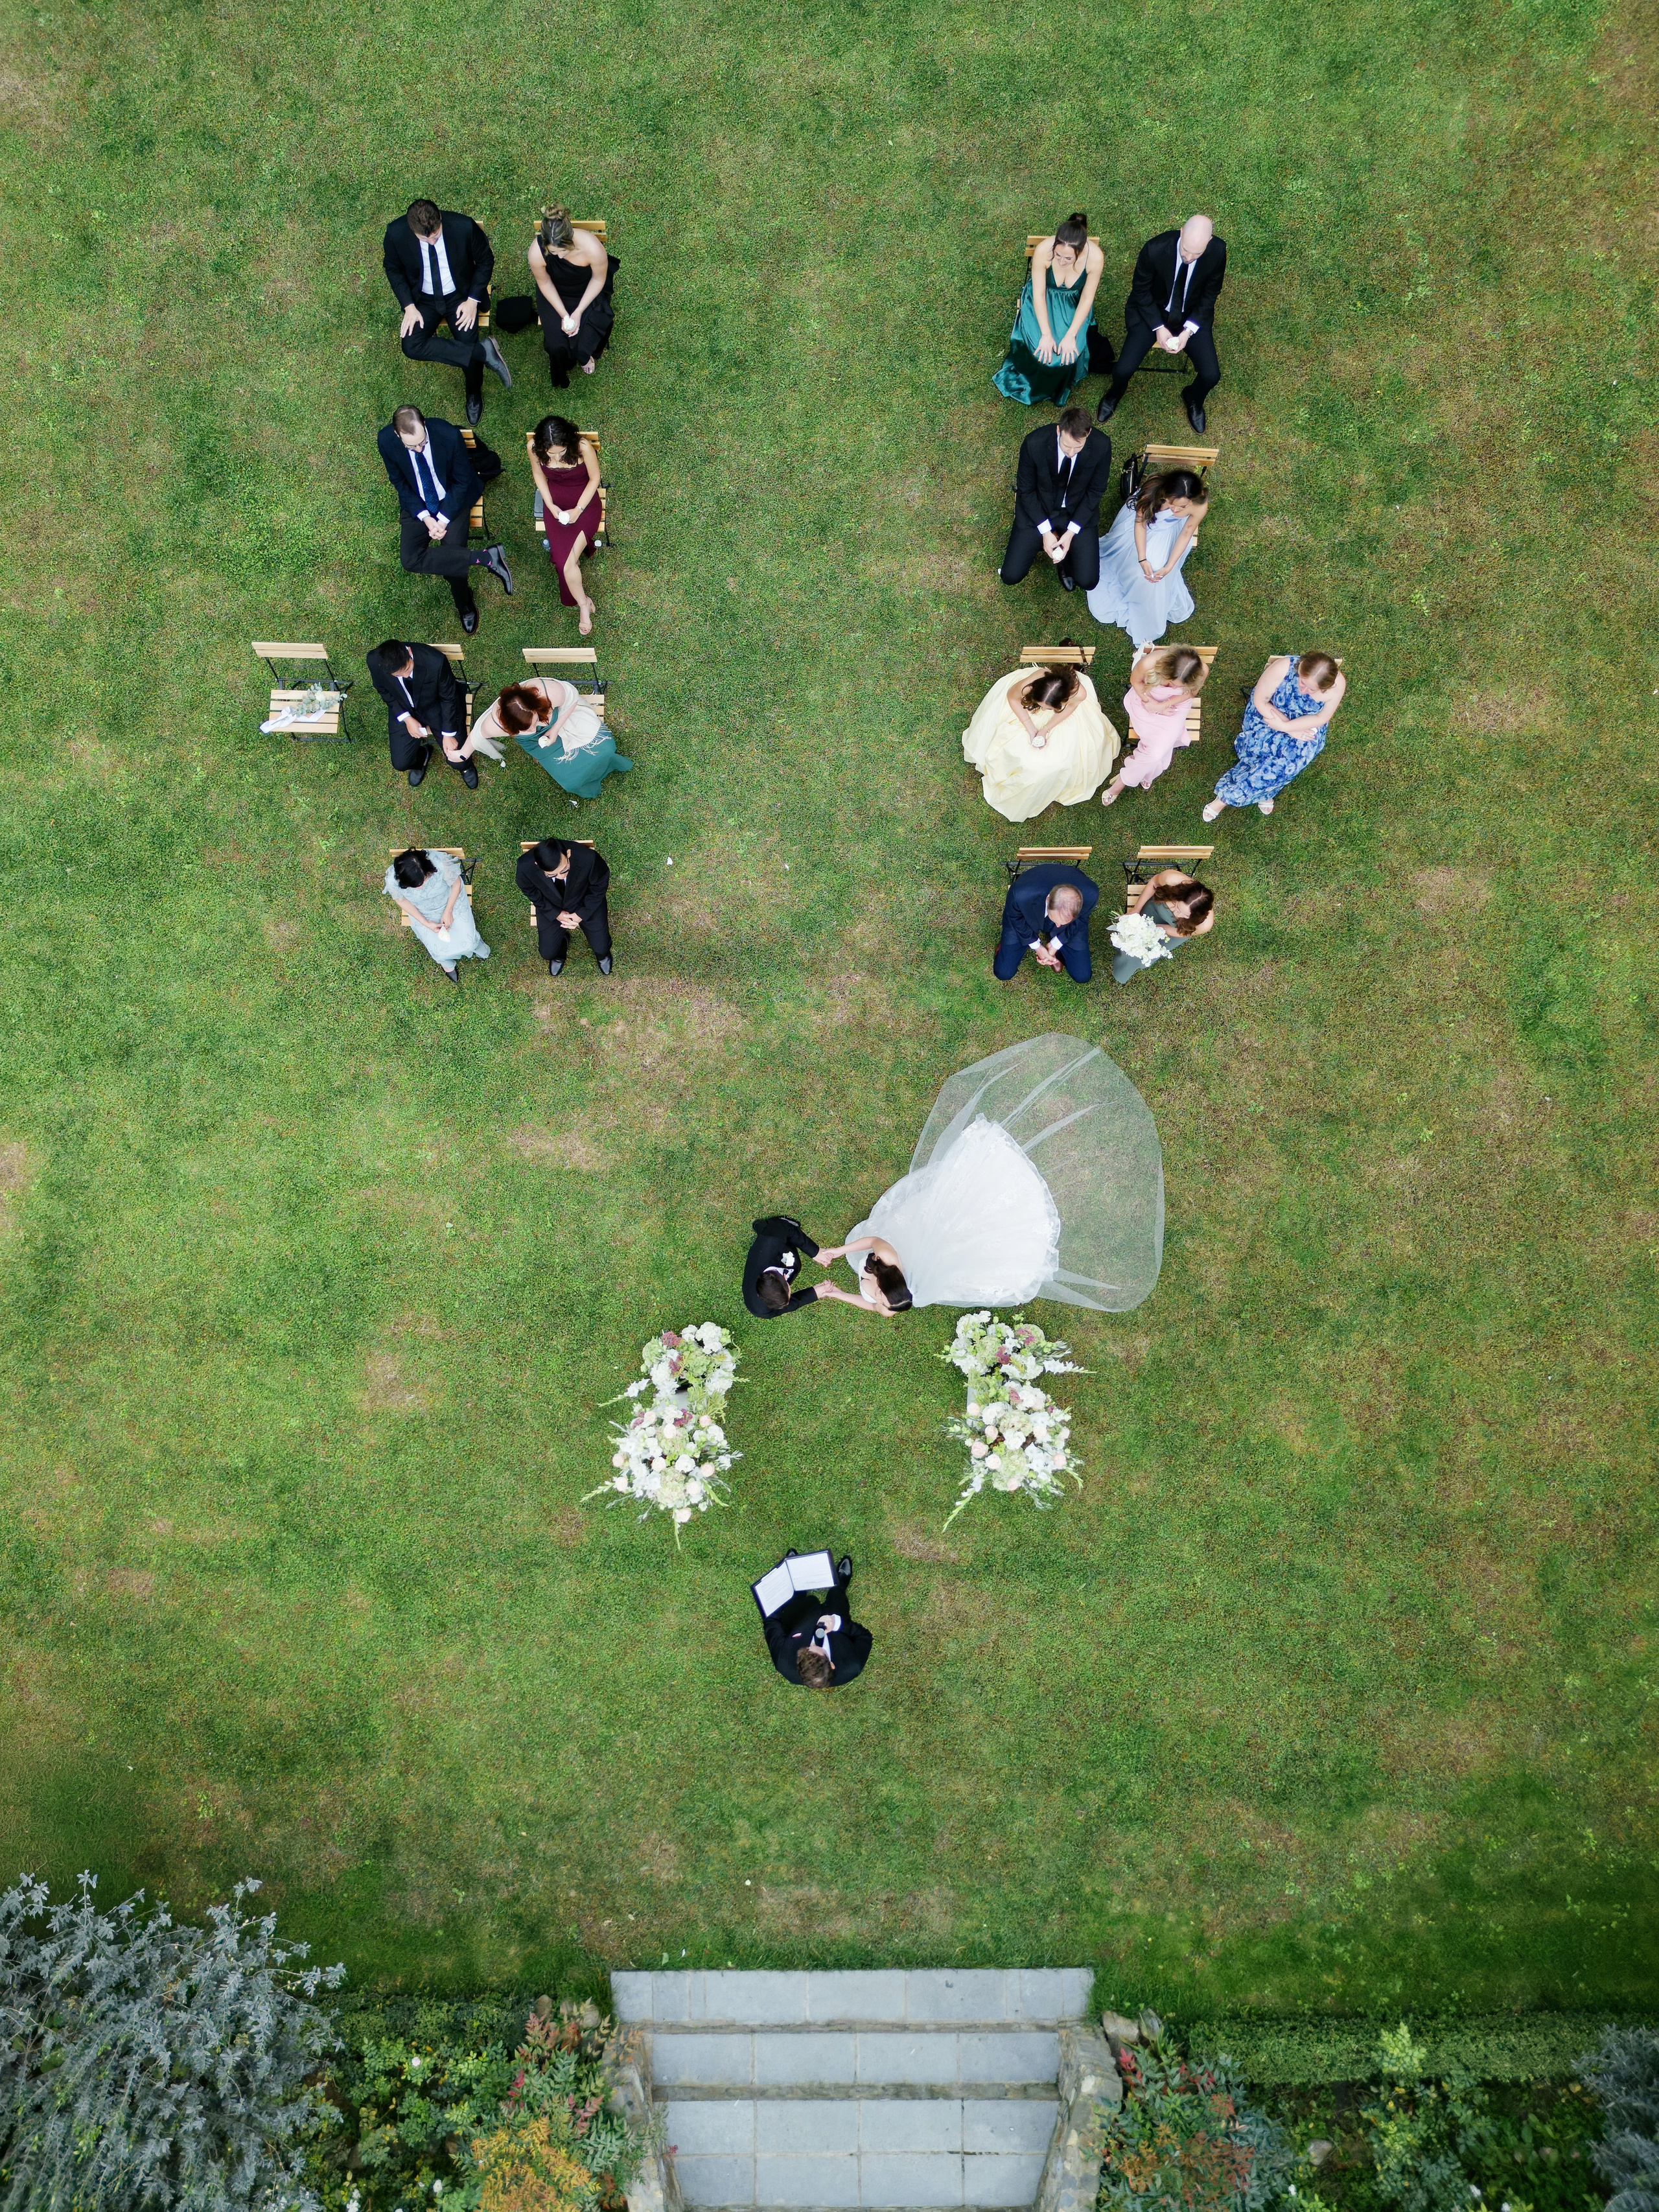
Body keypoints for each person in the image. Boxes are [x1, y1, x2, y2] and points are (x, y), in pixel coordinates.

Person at [834, 1036, 1163, 1312]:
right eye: (881, 1299)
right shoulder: (895, 1283)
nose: (879, 1302)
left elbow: (873, 1275)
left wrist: (834, 1291)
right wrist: (836, 1270)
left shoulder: (892, 1283)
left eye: (880, 1299)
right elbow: (876, 1283)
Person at [377, 405, 513, 635]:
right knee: (410, 560)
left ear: (424, 425)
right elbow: (399, 482)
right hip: (417, 504)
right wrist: (425, 517)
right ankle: (486, 558)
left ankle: (464, 604)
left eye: (422, 442)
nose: (419, 449)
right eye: (412, 446)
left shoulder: (448, 434)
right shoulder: (386, 440)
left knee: (452, 561)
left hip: (452, 501)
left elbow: (462, 481)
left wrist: (442, 520)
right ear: (398, 435)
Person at [381, 199, 513, 426]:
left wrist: (472, 300)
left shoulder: (464, 226)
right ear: (412, 230)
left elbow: (485, 261)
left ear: (440, 219)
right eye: (425, 239)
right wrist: (409, 306)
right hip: (423, 301)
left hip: (461, 296)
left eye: (436, 235)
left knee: (466, 340)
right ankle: (483, 351)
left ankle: (473, 393)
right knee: (411, 345)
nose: (432, 241)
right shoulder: (396, 233)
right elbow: (392, 268)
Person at [1095, 215, 1226, 434]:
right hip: (1152, 313)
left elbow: (1211, 294)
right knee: (1123, 370)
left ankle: (1193, 397)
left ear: (1209, 241)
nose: (1189, 258)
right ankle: (1115, 393)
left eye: (1197, 253)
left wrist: (1188, 331)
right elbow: (1141, 291)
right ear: (1181, 232)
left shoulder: (1218, 251)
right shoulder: (1155, 249)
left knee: (1212, 375)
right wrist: (1158, 327)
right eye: (1186, 250)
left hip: (1190, 315)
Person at [961, 657, 1119, 821]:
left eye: (1048, 708)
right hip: (1024, 711)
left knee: (1062, 759)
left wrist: (1046, 729)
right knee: (1013, 745)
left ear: (1063, 701)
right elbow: (1012, 698)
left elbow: (1070, 708)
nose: (1043, 710)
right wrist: (1030, 727)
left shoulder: (1079, 694)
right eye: (1041, 705)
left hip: (1060, 718)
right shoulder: (1029, 685)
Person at [1204, 652, 1346, 819]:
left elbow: (1321, 718)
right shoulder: (1282, 668)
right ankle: (1255, 794)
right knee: (1266, 756)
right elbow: (1260, 701)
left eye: (1312, 690)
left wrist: (1287, 727)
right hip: (1268, 716)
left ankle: (1230, 797)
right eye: (1302, 682)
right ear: (1301, 668)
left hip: (1305, 726)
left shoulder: (1337, 685)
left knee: (1292, 763)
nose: (1304, 691)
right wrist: (1287, 728)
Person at [992, 213, 1109, 408]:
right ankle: (1031, 379)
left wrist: (1071, 335)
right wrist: (1046, 334)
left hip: (1073, 304)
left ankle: (1058, 386)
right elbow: (1038, 294)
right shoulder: (1043, 251)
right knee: (1042, 351)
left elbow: (1087, 299)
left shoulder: (1095, 258)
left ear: (1081, 251)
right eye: (1058, 255)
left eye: (1068, 258)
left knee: (1066, 355)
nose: (1062, 262)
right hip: (1042, 300)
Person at [1085, 469, 1209, 646]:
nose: (1175, 510)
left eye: (1182, 507)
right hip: (1142, 527)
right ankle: (1129, 580)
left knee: (1158, 567)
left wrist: (1170, 566)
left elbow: (1186, 533)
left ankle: (1146, 602)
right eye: (1171, 503)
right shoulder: (1152, 490)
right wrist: (1142, 559)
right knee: (1142, 565)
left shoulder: (1199, 504)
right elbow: (1140, 524)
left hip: (1169, 532)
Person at [1000, 406, 1113, 595]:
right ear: (1059, 430)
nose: (1071, 453)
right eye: (1067, 446)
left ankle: (1065, 558)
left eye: (1078, 447)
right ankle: (1045, 541)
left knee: (1089, 581)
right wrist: (1046, 532)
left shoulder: (1102, 446)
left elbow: (1096, 491)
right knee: (1010, 576)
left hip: (1076, 513)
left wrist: (1071, 533)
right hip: (1039, 510)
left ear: (1088, 434)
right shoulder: (1034, 443)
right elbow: (1026, 491)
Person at [470, 679, 632, 800]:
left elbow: (573, 699)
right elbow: (476, 738)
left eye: (534, 723)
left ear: (535, 708)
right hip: (535, 744)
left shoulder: (550, 693)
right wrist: (460, 756)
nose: (533, 730)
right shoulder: (494, 725)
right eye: (525, 729)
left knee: (606, 749)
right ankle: (588, 789)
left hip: (563, 720)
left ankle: (611, 764)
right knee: (571, 781)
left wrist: (554, 730)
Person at [1099, 644, 1208, 805]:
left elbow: (1191, 694)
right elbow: (1135, 682)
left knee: (1156, 754)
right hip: (1145, 700)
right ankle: (1147, 774)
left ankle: (1123, 780)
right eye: (1171, 681)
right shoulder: (1150, 663)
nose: (1173, 687)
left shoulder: (1202, 670)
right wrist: (1151, 704)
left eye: (1179, 686)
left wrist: (1163, 706)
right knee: (1157, 755)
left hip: (1175, 706)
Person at [366, 639, 476, 789]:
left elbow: (449, 698)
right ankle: (423, 756)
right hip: (404, 708)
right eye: (398, 675)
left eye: (407, 669)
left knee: (458, 759)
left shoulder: (436, 661)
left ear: (409, 652)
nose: (406, 676)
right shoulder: (374, 660)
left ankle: (466, 767)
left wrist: (448, 734)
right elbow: (383, 691)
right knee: (401, 763)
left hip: (436, 706)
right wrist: (406, 718)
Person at [528, 415, 601, 634]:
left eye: (561, 452)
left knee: (567, 565)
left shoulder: (583, 447)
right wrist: (550, 505)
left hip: (585, 504)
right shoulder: (533, 447)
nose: (556, 458)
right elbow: (538, 475)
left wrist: (578, 510)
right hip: (556, 506)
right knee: (565, 563)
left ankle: (583, 607)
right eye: (551, 454)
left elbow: (595, 479)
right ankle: (584, 601)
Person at [528, 205, 616, 388]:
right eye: (554, 252)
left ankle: (585, 356)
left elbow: (598, 280)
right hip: (554, 293)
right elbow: (545, 283)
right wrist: (564, 314)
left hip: (585, 291)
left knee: (585, 337)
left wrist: (578, 312)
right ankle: (564, 365)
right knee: (555, 345)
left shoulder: (592, 248)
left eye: (564, 251)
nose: (560, 257)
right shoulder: (536, 252)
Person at [383, 847, 490, 984]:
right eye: (415, 886)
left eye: (424, 880)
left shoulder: (440, 864)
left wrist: (448, 911)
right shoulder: (393, 881)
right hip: (423, 912)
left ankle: (475, 945)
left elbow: (457, 884)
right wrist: (426, 923)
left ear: (428, 871)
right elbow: (402, 901)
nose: (421, 887)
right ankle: (447, 964)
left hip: (451, 902)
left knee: (468, 942)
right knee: (438, 950)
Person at [764, 1555, 870, 1689]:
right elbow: (864, 1636)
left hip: (803, 1615)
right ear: (832, 1664)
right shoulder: (853, 1665)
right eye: (817, 1648)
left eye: (808, 1648)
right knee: (838, 1599)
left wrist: (780, 1597)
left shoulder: (783, 1662)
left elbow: (771, 1622)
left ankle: (796, 1592)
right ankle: (839, 1585)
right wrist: (837, 1623)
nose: (814, 1641)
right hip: (835, 1618)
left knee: (796, 1602)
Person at [514, 837, 613, 977]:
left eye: (565, 870)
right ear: (537, 865)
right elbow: (530, 891)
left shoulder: (589, 858)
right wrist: (556, 914)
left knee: (602, 946)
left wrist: (581, 914)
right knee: (547, 953)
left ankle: (602, 955)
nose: (560, 877)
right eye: (552, 875)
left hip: (584, 902)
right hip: (552, 906)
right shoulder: (525, 866)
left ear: (568, 854)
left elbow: (600, 885)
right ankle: (562, 945)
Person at [993, 861, 1098, 984]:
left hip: (1063, 912)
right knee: (1003, 972)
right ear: (1048, 899)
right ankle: (1003, 948)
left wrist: (1057, 944)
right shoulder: (1020, 894)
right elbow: (1015, 918)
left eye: (1063, 923)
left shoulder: (1090, 895)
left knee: (1083, 976)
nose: (1059, 926)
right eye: (1056, 921)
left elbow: (1081, 920)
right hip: (1025, 918)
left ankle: (1056, 945)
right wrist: (1037, 947)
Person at [1111, 869, 1215, 984]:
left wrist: (1159, 929)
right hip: (1156, 910)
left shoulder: (1205, 924)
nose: (1177, 914)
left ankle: (1123, 971)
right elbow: (1154, 882)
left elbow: (1186, 933)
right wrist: (1136, 910)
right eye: (1177, 906)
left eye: (1185, 915)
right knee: (1131, 934)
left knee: (1140, 955)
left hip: (1176, 929)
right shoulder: (1171, 879)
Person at [744, 1217, 832, 1318]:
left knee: (780, 1229)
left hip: (775, 1236)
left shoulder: (771, 1244)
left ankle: (765, 1225)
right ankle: (761, 1227)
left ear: (785, 1277)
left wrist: (815, 1252)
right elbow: (780, 1309)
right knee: (795, 1264)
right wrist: (814, 1293)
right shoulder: (759, 1309)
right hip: (771, 1259)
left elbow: (785, 1228)